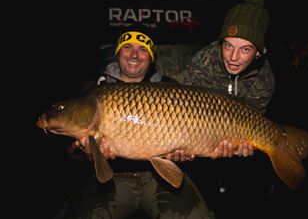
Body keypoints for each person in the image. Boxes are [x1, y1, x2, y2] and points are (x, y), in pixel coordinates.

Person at [55, 24, 251, 219]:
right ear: (118, 52)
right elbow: (69, 154)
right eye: (128, 47)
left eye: (143, 49)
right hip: (112, 181)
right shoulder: (94, 91)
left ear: (151, 57)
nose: (134, 55)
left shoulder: (170, 88)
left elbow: (195, 139)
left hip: (158, 181)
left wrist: (183, 154)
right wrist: (85, 151)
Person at [173, 0, 276, 217]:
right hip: (202, 135)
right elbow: (187, 112)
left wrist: (245, 145)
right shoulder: (203, 62)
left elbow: (253, 121)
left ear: (259, 52)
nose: (233, 57)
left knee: (247, 192)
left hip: (237, 142)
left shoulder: (265, 79)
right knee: (201, 189)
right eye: (228, 46)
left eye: (245, 49)